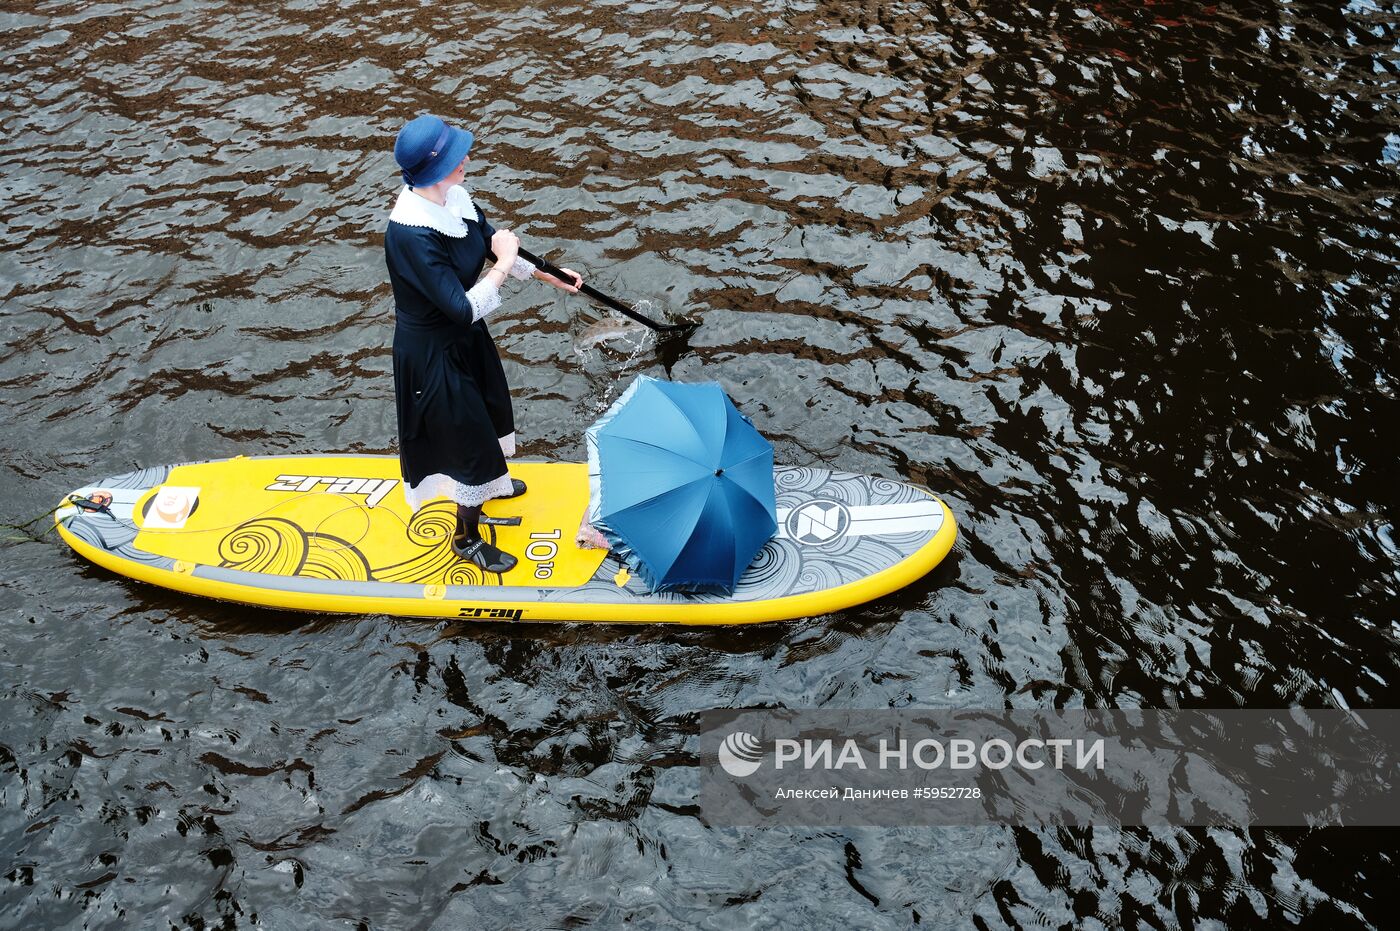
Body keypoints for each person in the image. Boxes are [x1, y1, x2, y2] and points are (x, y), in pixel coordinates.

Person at [385, 114, 582, 573]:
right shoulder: (409, 233)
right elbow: (461, 307)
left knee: (489, 411)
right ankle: (465, 536)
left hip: (465, 341)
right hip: (432, 354)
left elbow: (491, 242)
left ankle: (490, 483)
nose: (467, 158)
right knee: (467, 437)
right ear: (436, 170)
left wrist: (548, 275)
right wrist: (504, 262)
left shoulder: (454, 197)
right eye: (458, 156)